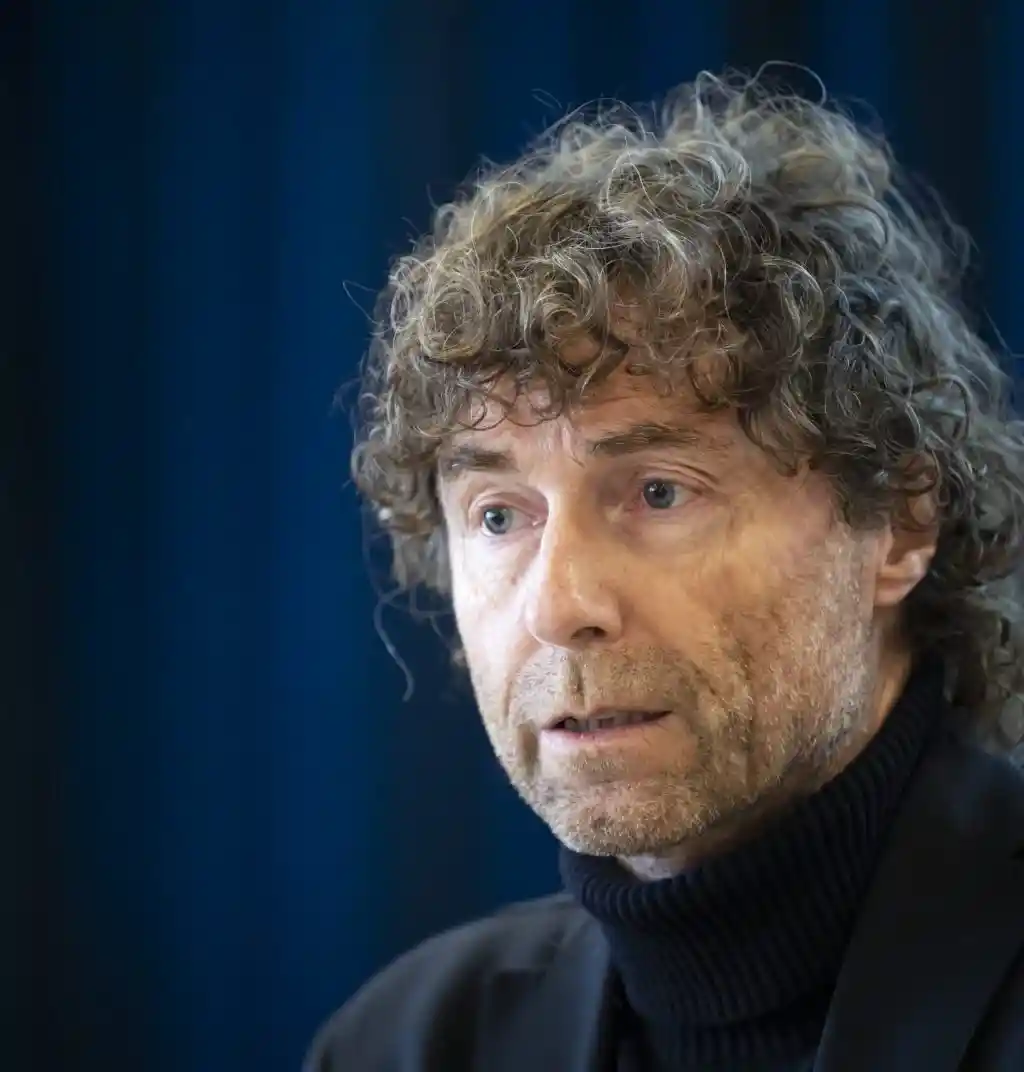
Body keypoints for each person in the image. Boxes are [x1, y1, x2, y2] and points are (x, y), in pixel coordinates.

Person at [306, 71, 1024, 1071]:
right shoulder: (410, 1044)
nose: (559, 605)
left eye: (658, 492)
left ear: (901, 525)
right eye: (499, 515)